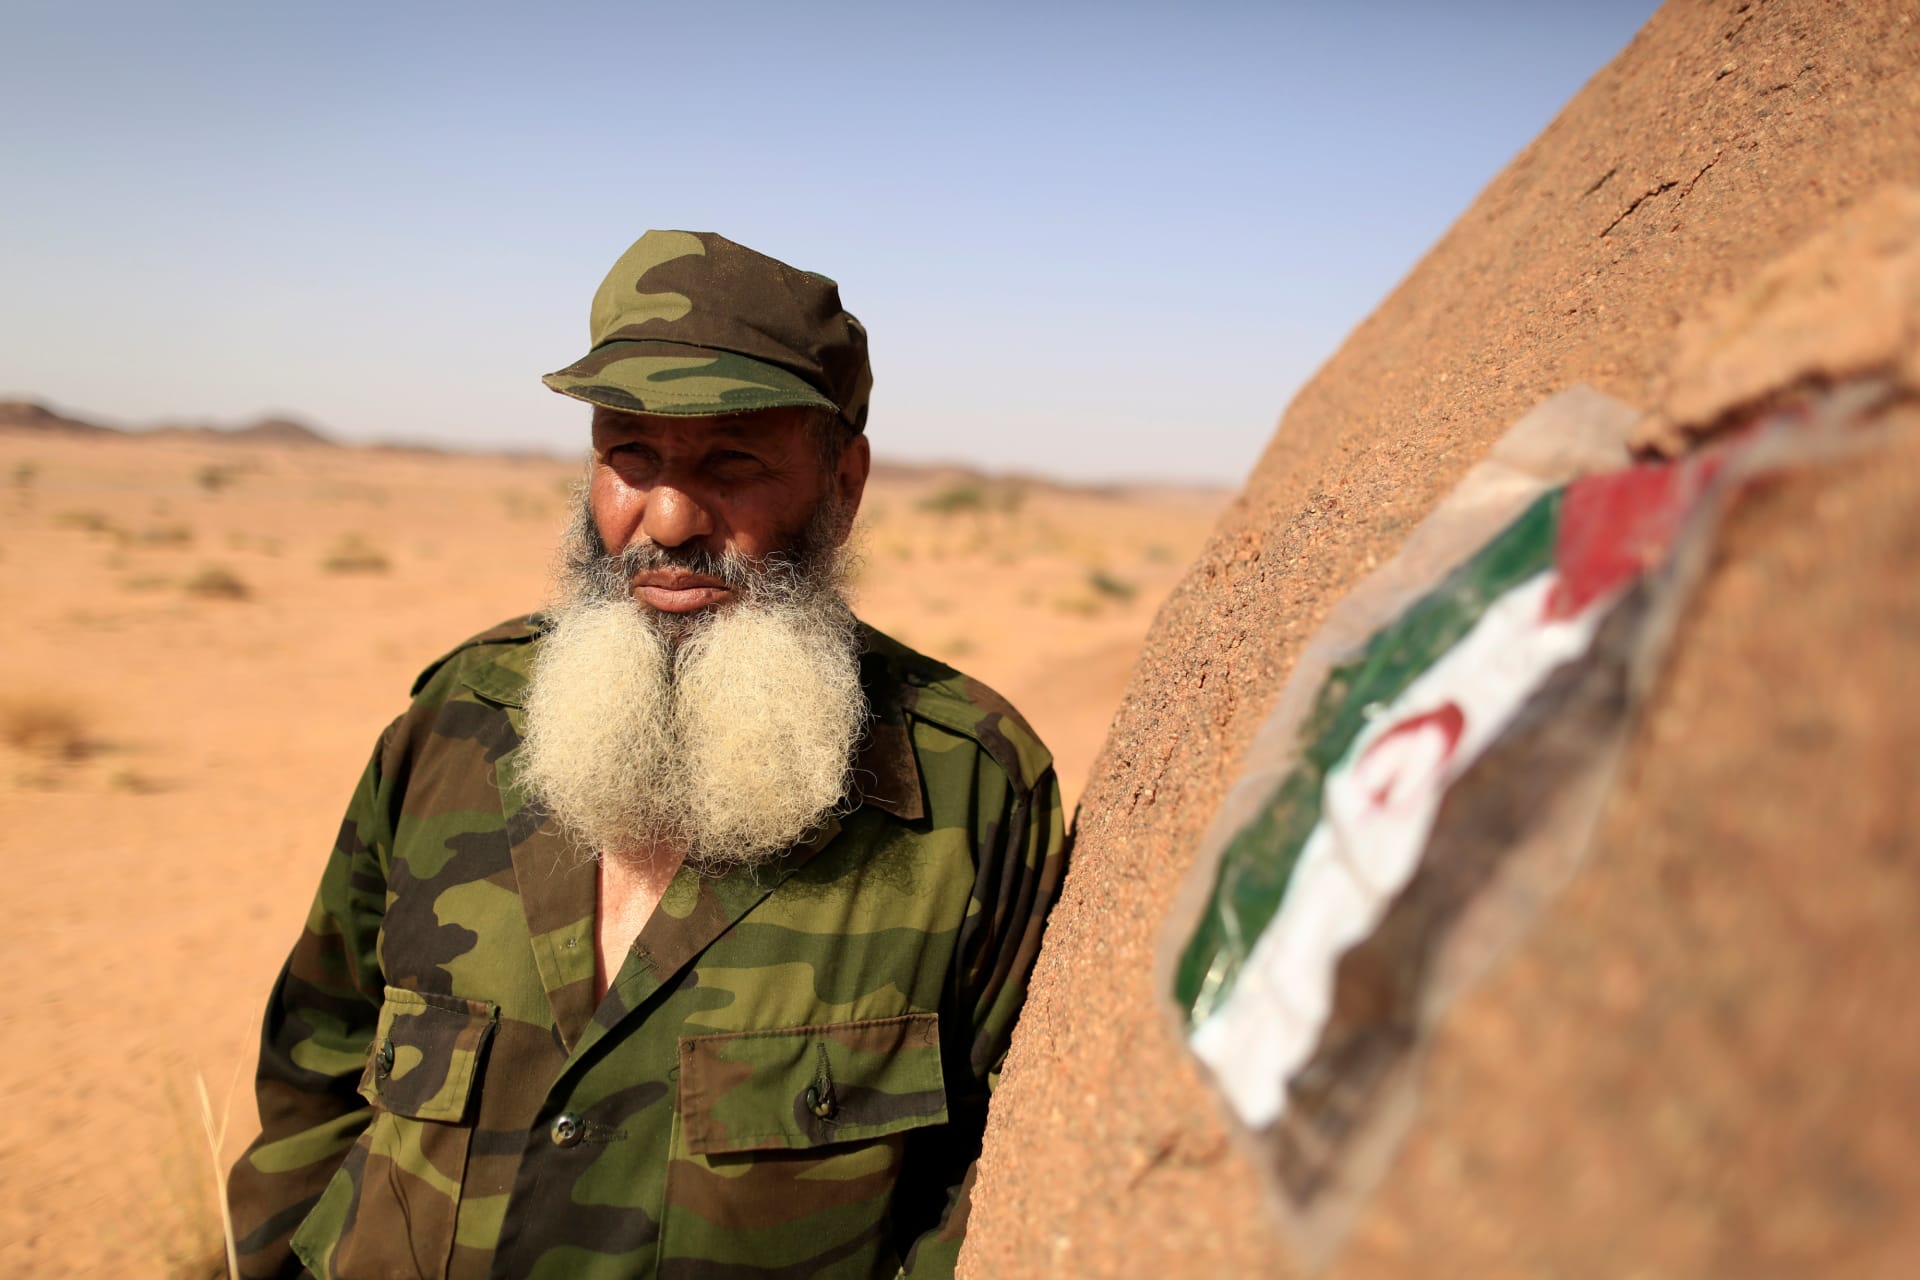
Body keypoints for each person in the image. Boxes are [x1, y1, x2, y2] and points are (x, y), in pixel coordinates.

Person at [227, 231, 1068, 1279]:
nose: (666, 519)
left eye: (733, 461)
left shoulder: (965, 789)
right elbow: (315, 1073)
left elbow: (985, 1195)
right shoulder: (459, 722)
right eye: (630, 455)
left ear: (842, 482)